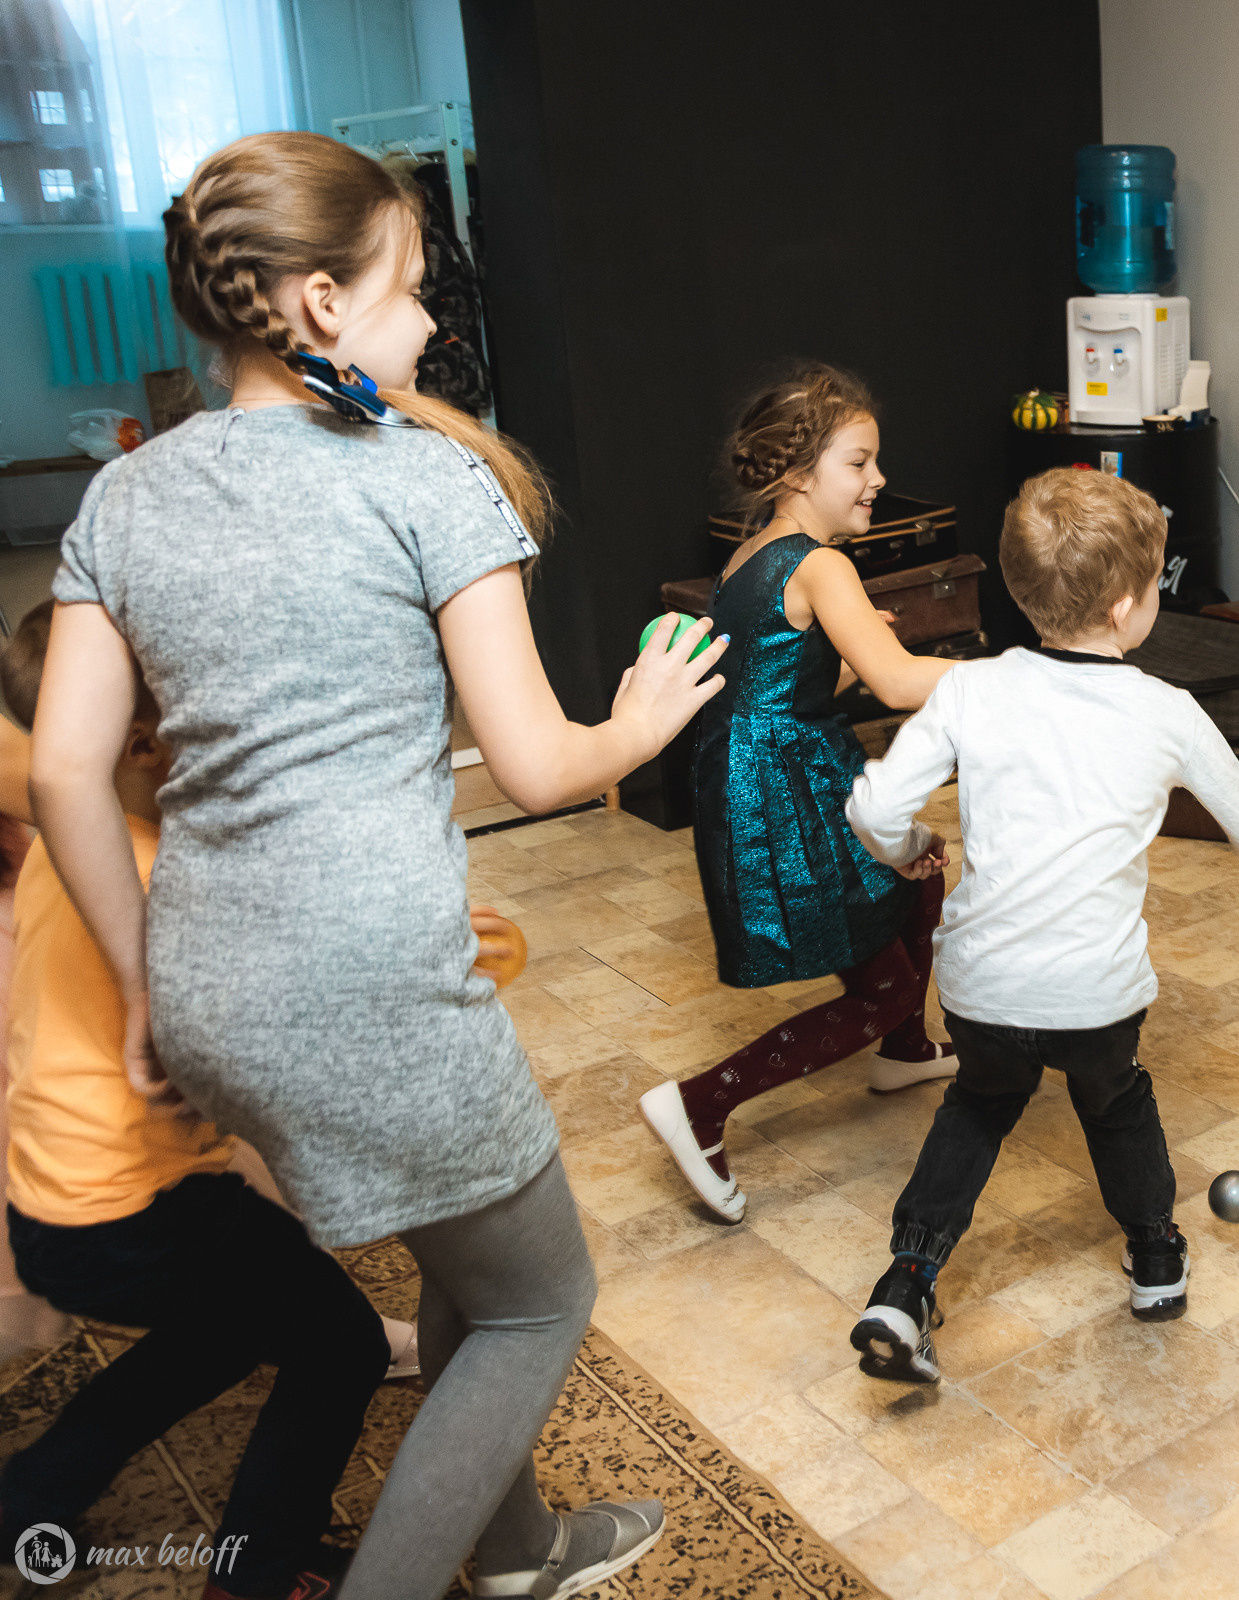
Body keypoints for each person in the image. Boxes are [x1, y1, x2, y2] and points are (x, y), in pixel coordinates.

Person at [31, 131, 719, 1599]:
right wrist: (641, 720)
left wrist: (152, 981)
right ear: (324, 305)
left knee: (466, 1262)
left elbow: (62, 770)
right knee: (543, 1304)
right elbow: (537, 767)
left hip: (215, 986)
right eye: (412, 289)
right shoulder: (423, 480)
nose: (430, 324)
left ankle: (521, 1548)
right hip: (373, 988)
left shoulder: (124, 496)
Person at [842, 469, 1239, 1381]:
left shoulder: (970, 690)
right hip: (1097, 995)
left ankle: (907, 1279)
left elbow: (874, 807)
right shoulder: (1166, 712)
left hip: (983, 987)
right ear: (1131, 607)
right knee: (1116, 1100)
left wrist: (909, 847)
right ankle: (1156, 1257)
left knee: (980, 1101)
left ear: (1019, 588)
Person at [0, 607, 387, 1599]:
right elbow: (249, 1052)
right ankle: (258, 1574)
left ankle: (23, 1499)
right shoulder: (149, 878)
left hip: (49, 1203)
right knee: (339, 1339)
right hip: (136, 1208)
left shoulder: (68, 837)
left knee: (217, 1333)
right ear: (140, 739)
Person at [639, 363, 960, 1225]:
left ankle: (902, 1048)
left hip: (775, 770)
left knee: (918, 872)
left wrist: (846, 653)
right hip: (785, 789)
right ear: (797, 473)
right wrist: (1014, 679)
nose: (878, 481)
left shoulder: (756, 551)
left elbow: (781, 675)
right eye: (859, 463)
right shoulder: (820, 565)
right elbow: (896, 683)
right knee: (883, 977)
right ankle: (702, 1103)